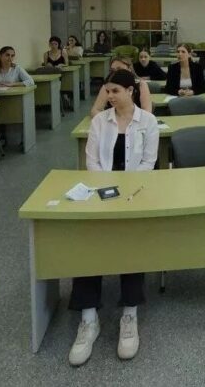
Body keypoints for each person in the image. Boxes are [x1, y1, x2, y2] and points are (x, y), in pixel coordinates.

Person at [68, 70, 160, 366]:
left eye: (115, 91)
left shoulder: (148, 121)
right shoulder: (99, 122)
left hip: (136, 195)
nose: (109, 96)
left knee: (131, 243)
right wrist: (107, 189)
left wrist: (127, 190)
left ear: (131, 91)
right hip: (102, 194)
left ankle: (129, 314)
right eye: (107, 91)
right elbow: (92, 161)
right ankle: (88, 319)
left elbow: (149, 162)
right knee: (89, 243)